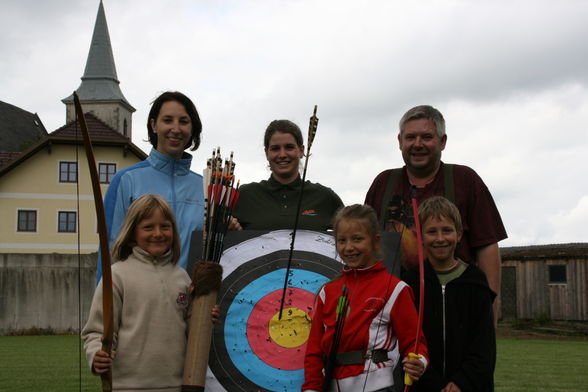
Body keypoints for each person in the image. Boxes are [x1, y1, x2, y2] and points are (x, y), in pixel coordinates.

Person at [364, 105, 506, 319]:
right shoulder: (383, 183)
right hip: (392, 310)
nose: (417, 144)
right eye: (410, 137)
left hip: (455, 307)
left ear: (442, 142)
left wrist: (489, 308)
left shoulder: (465, 180)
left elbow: (487, 246)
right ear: (400, 141)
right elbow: (367, 247)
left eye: (427, 137)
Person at [82, 194, 219, 391]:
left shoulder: (182, 277)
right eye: (148, 227)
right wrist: (96, 354)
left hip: (177, 385)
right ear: (132, 233)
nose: (158, 233)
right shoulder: (117, 276)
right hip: (128, 386)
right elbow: (96, 331)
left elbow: (192, 329)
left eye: (165, 226)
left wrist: (206, 317)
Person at [303, 204, 428, 392]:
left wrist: (418, 361)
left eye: (357, 239)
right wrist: (311, 388)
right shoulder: (327, 291)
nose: (349, 247)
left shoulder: (395, 288)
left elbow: (414, 342)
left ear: (376, 241)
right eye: (342, 240)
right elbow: (314, 352)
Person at [97, 91, 205, 283]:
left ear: (192, 128)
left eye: (184, 121)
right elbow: (109, 250)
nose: (176, 128)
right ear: (154, 125)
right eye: (168, 120)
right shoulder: (126, 180)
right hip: (138, 304)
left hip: (190, 304)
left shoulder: (204, 187)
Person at [404, 196, 496, 392]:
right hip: (425, 386)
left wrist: (461, 383)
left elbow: (484, 346)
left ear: (459, 234)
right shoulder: (411, 283)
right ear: (420, 237)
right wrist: (437, 384)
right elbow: (407, 342)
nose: (440, 239)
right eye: (431, 232)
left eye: (447, 230)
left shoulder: (476, 281)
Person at [232, 119, 343, 231]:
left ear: (301, 150)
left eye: (289, 147)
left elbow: (353, 231)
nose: (282, 154)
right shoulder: (244, 195)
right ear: (266, 153)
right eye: (275, 148)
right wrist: (228, 226)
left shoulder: (324, 197)